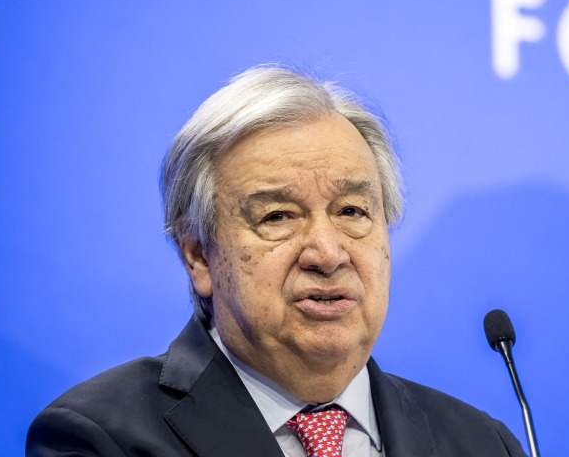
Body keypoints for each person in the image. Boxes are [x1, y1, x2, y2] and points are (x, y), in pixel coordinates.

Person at [27, 66, 527, 457]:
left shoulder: (484, 445)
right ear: (198, 254)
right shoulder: (101, 439)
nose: (328, 254)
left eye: (352, 211)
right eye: (278, 216)